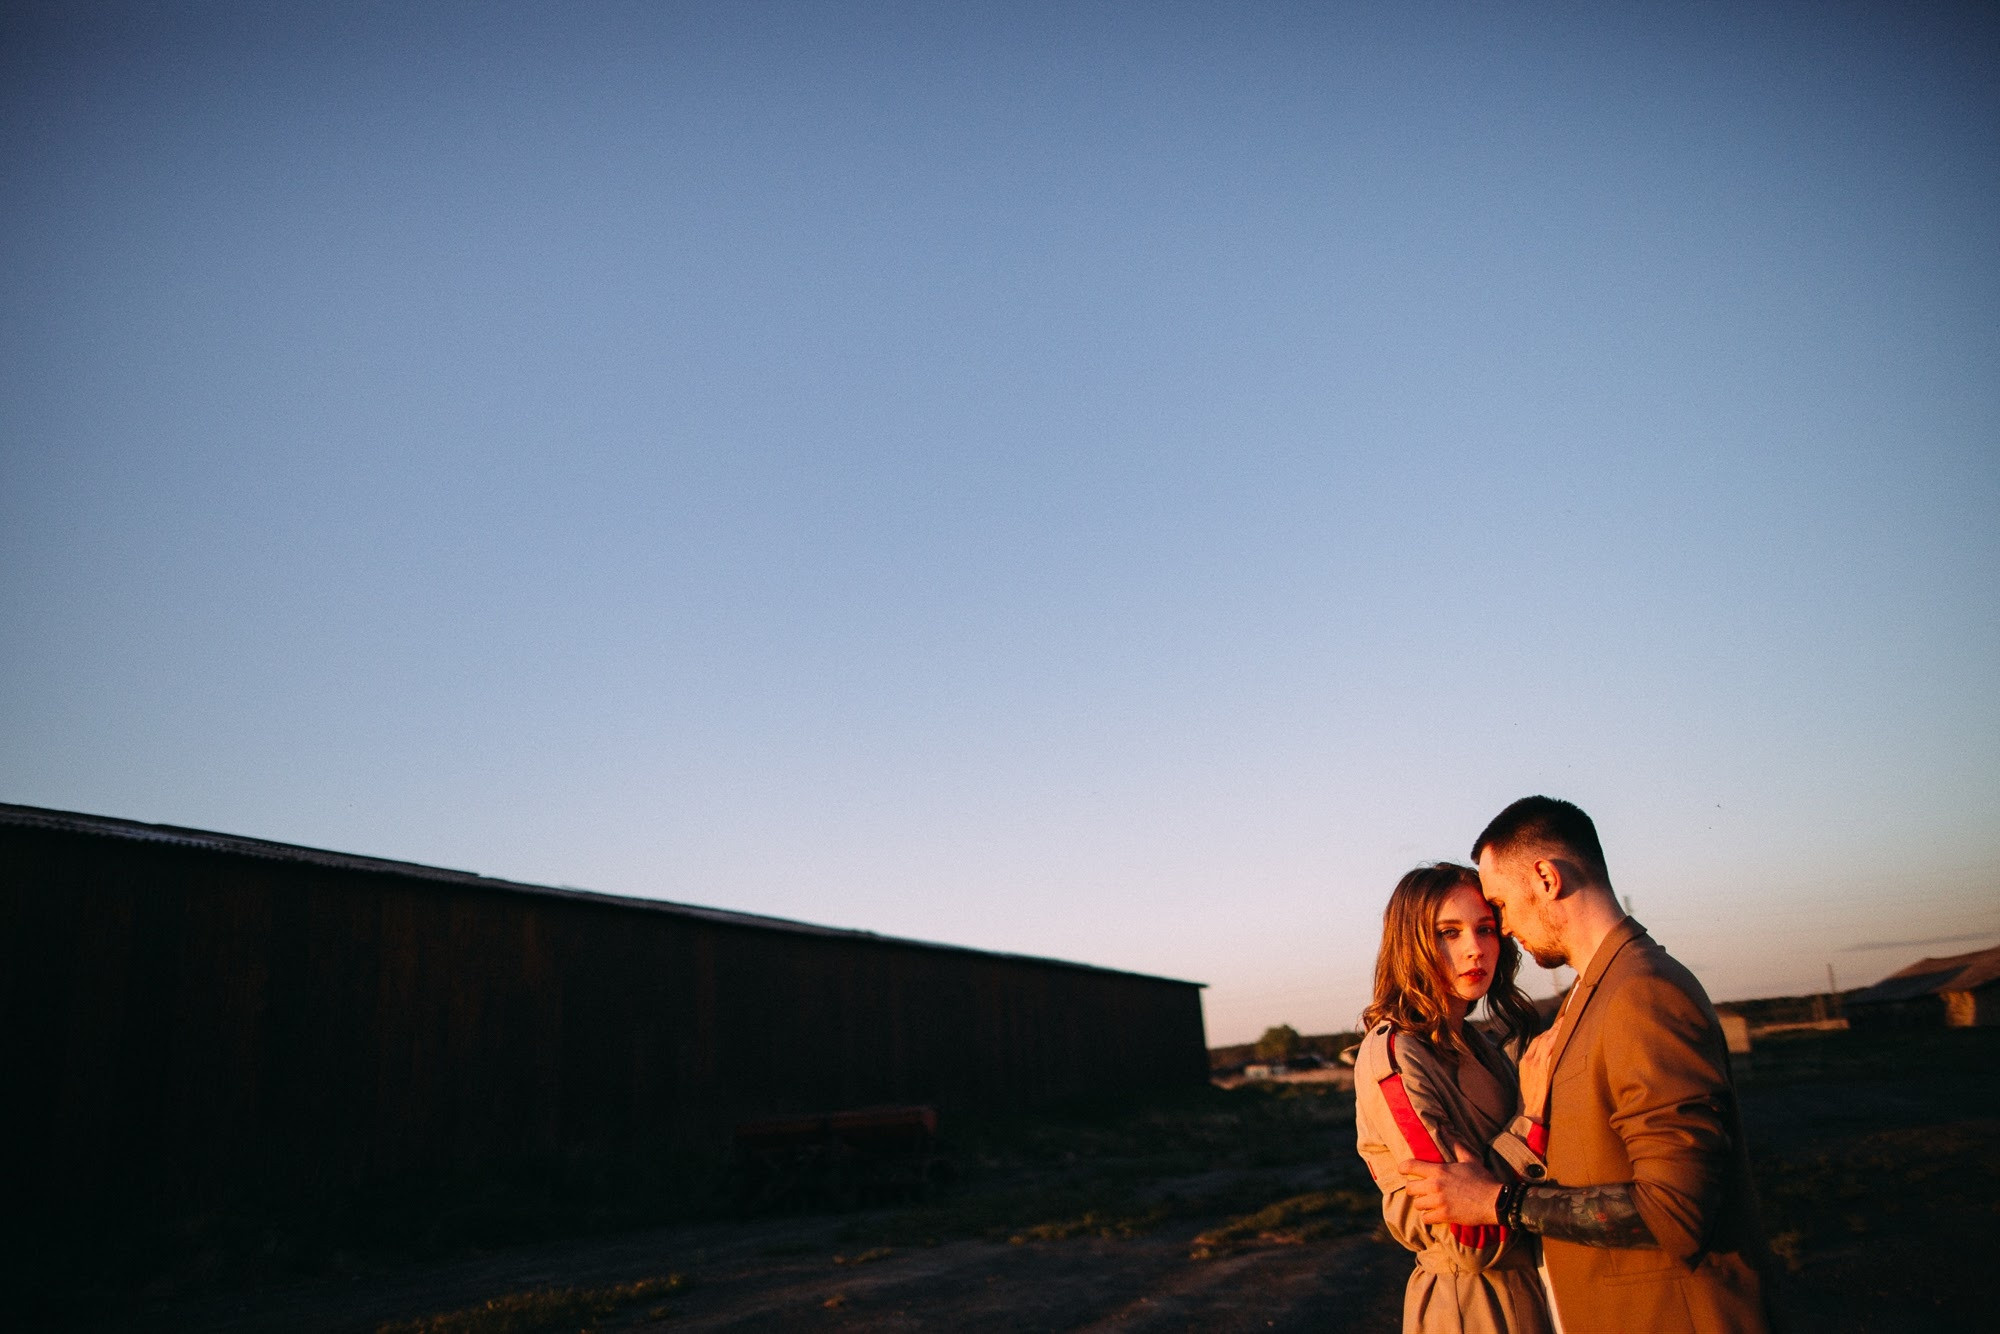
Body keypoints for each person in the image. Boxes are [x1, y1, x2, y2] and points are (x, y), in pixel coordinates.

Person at [1402, 796, 1778, 1333]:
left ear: (1546, 878)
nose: (1502, 929)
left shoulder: (1642, 993)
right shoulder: (1596, 991)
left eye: (1502, 906)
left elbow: (1674, 1208)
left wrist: (1498, 1202)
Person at [1354, 862, 1556, 1334]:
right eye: (1449, 932)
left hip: (1536, 1291)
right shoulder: (1395, 1055)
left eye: (1486, 929)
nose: (1475, 949)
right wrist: (1533, 1114)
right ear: (1411, 943)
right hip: (1474, 1307)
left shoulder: (1481, 1045)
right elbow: (1472, 1238)